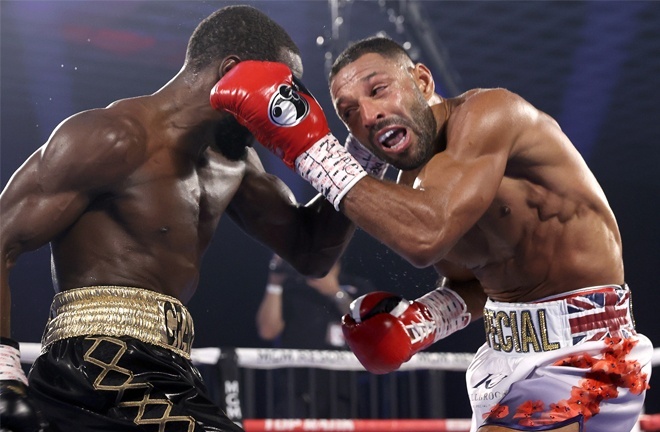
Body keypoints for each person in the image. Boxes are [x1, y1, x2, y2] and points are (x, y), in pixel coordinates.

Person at [209, 37, 653, 432]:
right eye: (347, 113)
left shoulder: (490, 114)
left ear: (421, 81)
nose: (368, 113)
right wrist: (421, 323)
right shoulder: (409, 190)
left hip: (588, 351)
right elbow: (475, 281)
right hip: (505, 360)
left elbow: (426, 236)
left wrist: (310, 149)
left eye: (378, 89)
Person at [0, 6, 359, 432]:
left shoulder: (236, 163)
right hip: (92, 366)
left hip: (168, 370)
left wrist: (356, 157)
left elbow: (310, 252)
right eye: (282, 86)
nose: (286, 106)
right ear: (234, 72)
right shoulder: (114, 136)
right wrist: (3, 373)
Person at [255, 254, 374, 418]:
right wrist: (274, 284)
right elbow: (267, 331)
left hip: (342, 392)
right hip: (295, 392)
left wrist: (335, 293)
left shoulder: (357, 286)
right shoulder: (292, 287)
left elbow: (372, 328)